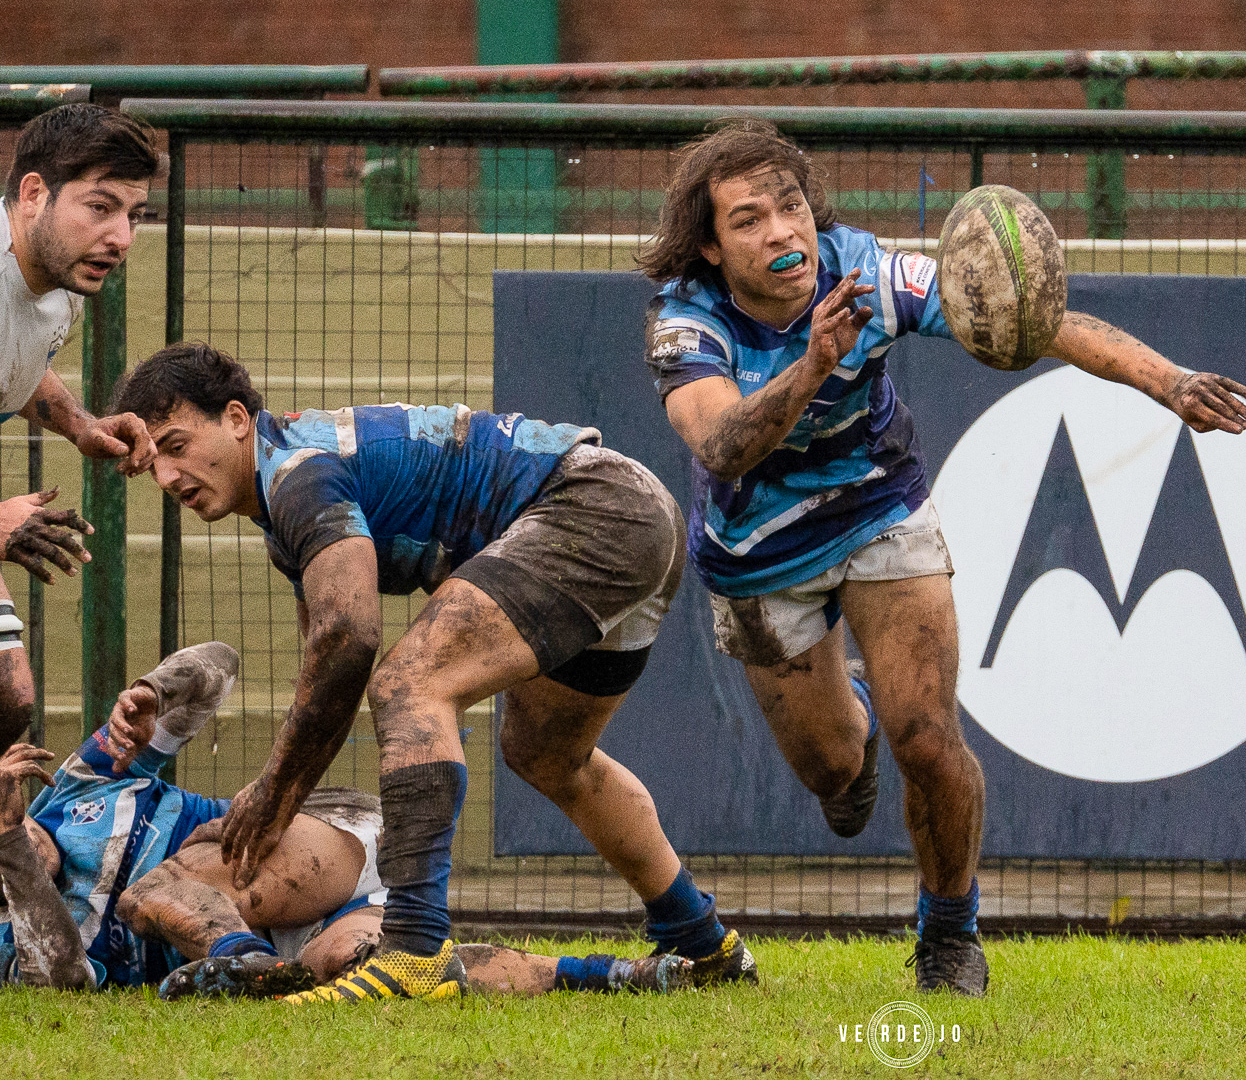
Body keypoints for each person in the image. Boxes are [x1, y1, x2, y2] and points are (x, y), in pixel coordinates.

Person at [640, 120, 1246, 995]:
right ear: (709, 245)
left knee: (927, 739)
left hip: (881, 511)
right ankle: (850, 714)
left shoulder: (870, 272)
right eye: (749, 220)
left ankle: (950, 936)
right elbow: (721, 445)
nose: (782, 232)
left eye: (790, 207)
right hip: (758, 550)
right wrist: (815, 361)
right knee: (833, 773)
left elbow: (1042, 323)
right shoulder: (685, 320)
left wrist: (1170, 383)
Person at [109, 343, 754, 1003]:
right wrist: (276, 800)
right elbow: (327, 678)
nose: (166, 475)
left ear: (239, 418)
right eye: (152, 462)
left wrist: (273, 794)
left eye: (177, 444)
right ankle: (703, 941)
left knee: (410, 683)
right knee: (547, 753)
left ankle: (415, 950)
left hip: (596, 509)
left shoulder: (298, 476)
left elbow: (350, 641)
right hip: (631, 514)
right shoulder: (287, 511)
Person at [0, 643, 695, 999]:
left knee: (151, 890)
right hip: (300, 929)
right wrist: (12, 852)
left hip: (315, 851)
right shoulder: (15, 932)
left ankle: (246, 969)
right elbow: (65, 981)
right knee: (375, 971)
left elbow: (218, 667)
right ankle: (621, 975)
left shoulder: (77, 785)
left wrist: (156, 691)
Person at [0, 103, 162, 746]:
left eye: (134, 215)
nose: (121, 237)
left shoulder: (58, 287)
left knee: (6, 701)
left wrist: (79, 425)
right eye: (100, 207)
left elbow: (17, 364)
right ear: (35, 193)